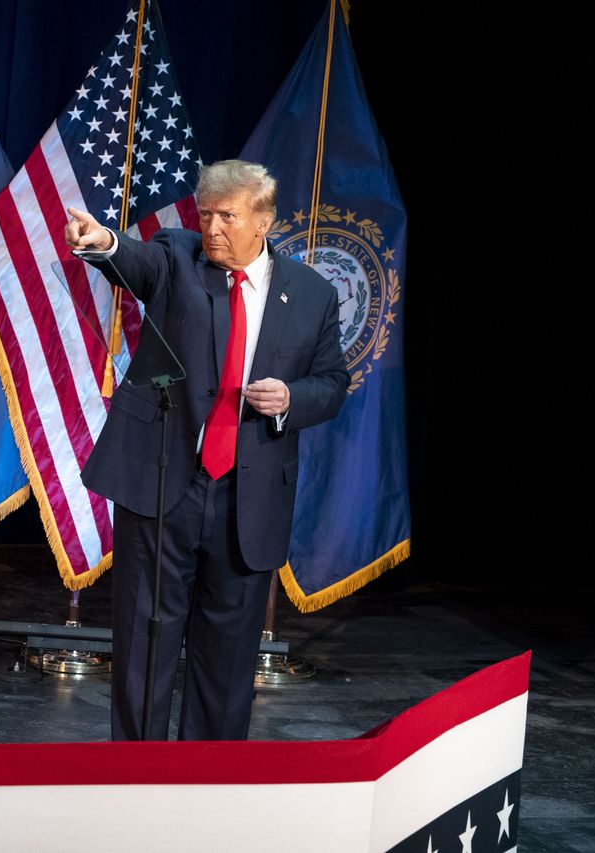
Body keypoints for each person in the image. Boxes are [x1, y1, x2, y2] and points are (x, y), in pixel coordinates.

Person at [65, 159, 348, 741]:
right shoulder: (178, 258)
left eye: (229, 216)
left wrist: (292, 396)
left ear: (263, 221)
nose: (214, 228)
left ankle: (210, 784)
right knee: (147, 640)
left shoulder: (312, 295)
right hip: (165, 482)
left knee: (227, 653)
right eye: (208, 214)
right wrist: (103, 243)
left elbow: (332, 384)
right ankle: (135, 780)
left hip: (250, 494)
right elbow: (133, 261)